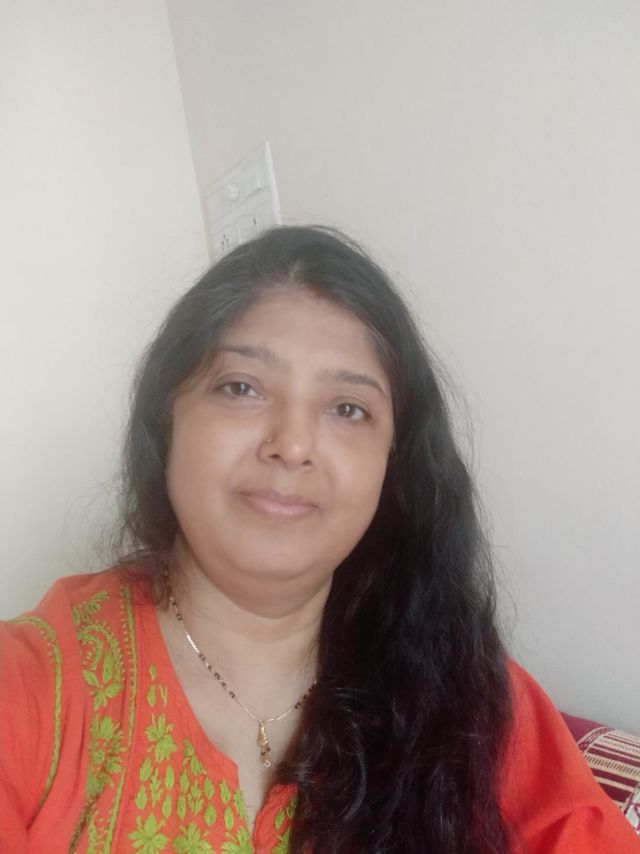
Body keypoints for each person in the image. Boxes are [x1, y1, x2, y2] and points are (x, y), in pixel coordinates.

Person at [0, 226, 637, 854]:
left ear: (393, 464)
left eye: (348, 409)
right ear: (166, 423)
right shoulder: (28, 687)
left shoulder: (469, 699)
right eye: (241, 387)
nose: (293, 444)